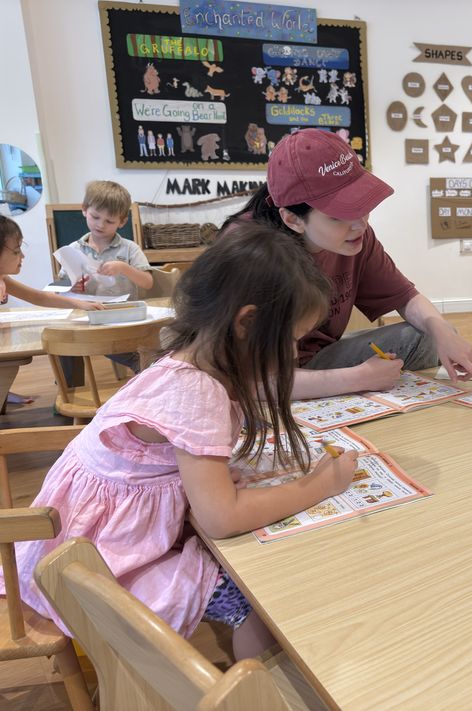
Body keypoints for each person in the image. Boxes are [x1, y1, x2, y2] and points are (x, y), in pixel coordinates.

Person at [1, 223, 358, 660]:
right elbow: (222, 518)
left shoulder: (189, 360)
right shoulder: (198, 392)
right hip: (96, 563)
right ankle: (254, 687)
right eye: (293, 339)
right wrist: (323, 484)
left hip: (89, 536)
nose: (294, 353)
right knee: (262, 599)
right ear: (247, 323)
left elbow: (167, 463)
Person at [221, 128, 472, 398]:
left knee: (431, 333)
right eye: (338, 215)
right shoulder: (248, 250)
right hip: (261, 375)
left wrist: (441, 330)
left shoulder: (355, 238)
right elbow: (242, 381)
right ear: (292, 218)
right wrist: (359, 378)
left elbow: (405, 297)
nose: (360, 224)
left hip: (318, 359)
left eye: (361, 204)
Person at [62, 180, 154, 299]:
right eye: (95, 217)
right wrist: (72, 287)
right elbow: (62, 285)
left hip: (123, 309)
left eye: (109, 221)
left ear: (122, 222)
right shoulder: (73, 249)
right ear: (84, 209)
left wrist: (124, 268)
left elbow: (148, 283)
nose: (101, 225)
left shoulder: (130, 248)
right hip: (86, 308)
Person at [0, 215, 101, 311]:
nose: (22, 256)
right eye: (16, 251)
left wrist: (80, 304)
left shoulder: (3, 279)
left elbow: (38, 297)